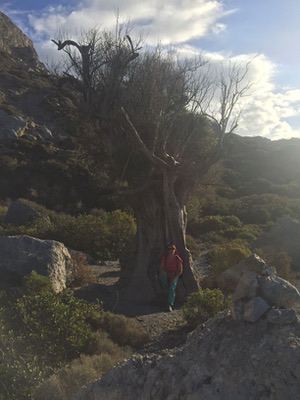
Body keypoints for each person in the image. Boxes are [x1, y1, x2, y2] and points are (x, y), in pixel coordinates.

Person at [160, 244, 183, 311]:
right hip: (166, 274)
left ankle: (170, 304)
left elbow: (180, 270)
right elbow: (161, 267)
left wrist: (174, 276)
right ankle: (164, 301)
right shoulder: (165, 257)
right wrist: (165, 274)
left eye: (172, 249)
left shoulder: (177, 258)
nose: (171, 250)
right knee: (165, 285)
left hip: (175, 274)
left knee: (172, 288)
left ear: (175, 250)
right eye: (170, 249)